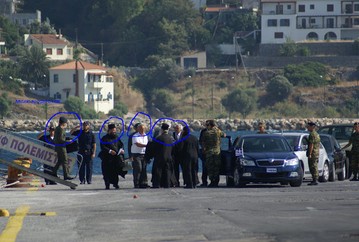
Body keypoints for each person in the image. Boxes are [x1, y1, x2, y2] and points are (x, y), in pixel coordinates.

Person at [98, 123, 125, 189]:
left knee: (115, 172)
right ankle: (107, 185)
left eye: (115, 130)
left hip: (115, 159)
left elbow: (121, 145)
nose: (114, 132)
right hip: (107, 159)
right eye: (113, 130)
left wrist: (121, 150)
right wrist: (110, 151)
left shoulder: (117, 137)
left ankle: (116, 184)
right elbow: (103, 147)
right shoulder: (104, 138)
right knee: (106, 172)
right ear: (109, 130)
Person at [202, 120, 226, 187]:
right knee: (217, 167)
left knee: (210, 168)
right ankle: (216, 181)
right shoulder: (218, 132)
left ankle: (212, 181)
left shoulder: (206, 133)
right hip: (217, 152)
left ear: (209, 126)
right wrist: (217, 128)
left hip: (209, 152)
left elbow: (203, 142)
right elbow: (224, 135)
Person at [151, 123, 175, 188]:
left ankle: (157, 184)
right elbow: (173, 148)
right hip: (169, 157)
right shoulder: (171, 138)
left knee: (158, 171)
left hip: (159, 157)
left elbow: (154, 148)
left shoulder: (158, 138)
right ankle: (167, 184)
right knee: (167, 170)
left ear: (161, 129)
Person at [131, 123, 149, 188]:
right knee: (138, 168)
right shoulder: (135, 136)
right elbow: (138, 144)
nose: (142, 130)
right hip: (136, 154)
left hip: (144, 154)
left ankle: (143, 183)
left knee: (144, 169)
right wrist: (146, 145)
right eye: (141, 128)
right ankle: (136, 183)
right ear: (138, 129)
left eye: (144, 128)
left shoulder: (146, 136)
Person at [307, 121, 320, 186]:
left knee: (313, 166)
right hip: (316, 152)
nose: (307, 128)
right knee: (315, 166)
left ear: (312, 127)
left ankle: (315, 179)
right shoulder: (317, 134)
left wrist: (309, 153)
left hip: (313, 153)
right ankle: (315, 179)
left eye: (308, 126)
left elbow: (311, 145)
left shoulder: (312, 134)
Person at [199, 120, 209, 187]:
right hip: (209, 152)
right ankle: (213, 182)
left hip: (206, 152)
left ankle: (205, 182)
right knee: (207, 168)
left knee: (205, 168)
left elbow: (200, 141)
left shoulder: (203, 131)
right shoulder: (216, 131)